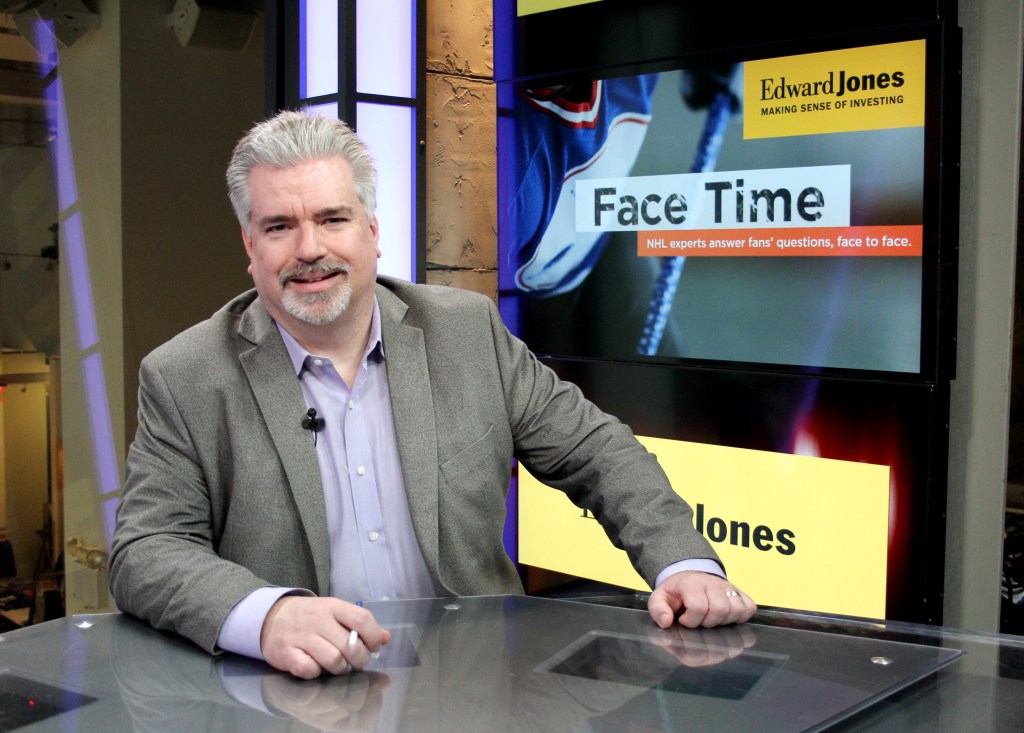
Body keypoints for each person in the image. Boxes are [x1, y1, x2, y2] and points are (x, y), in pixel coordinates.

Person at [109, 110, 755, 681]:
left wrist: (683, 564)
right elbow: (146, 549)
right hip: (295, 698)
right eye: (279, 226)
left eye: (332, 218)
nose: (310, 249)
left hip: (477, 688)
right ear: (250, 247)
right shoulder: (186, 375)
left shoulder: (464, 331)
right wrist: (267, 615)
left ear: (372, 229)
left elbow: (596, 450)